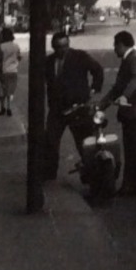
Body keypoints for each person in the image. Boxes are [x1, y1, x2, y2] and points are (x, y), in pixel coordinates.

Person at [99, 29, 136, 197]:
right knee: (133, 150)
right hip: (134, 113)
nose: (114, 49)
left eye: (115, 45)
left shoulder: (135, 60)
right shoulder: (128, 60)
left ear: (122, 45)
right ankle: (134, 185)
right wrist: (102, 105)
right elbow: (117, 88)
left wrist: (125, 96)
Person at [43, 31, 104, 181]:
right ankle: (50, 174)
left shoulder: (80, 57)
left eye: (65, 46)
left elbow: (97, 70)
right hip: (57, 109)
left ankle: (91, 174)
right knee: (51, 141)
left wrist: (94, 89)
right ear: (53, 47)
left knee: (84, 143)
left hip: (78, 108)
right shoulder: (48, 61)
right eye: (59, 47)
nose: (62, 50)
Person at [0, 26, 21, 116]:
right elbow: (19, 57)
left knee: (2, 90)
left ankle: (2, 107)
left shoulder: (1, 46)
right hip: (13, 70)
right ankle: (9, 107)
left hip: (3, 70)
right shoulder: (16, 46)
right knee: (10, 91)